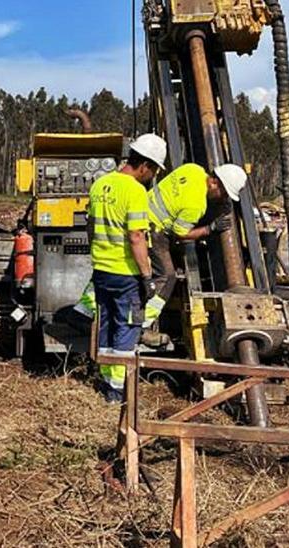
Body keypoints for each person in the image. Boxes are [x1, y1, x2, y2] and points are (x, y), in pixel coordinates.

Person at [87, 134, 165, 403]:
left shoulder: (100, 184)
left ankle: (106, 380)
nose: (151, 176)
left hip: (101, 270)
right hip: (126, 274)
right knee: (127, 328)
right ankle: (117, 392)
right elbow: (136, 236)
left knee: (106, 327)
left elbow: (90, 227)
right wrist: (147, 276)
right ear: (144, 164)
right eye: (153, 170)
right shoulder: (134, 191)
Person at [142, 163, 248, 332]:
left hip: (140, 211)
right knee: (168, 276)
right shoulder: (196, 205)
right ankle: (144, 323)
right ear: (214, 183)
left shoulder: (193, 169)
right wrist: (209, 228)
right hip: (152, 229)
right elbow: (180, 234)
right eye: (223, 193)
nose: (222, 198)